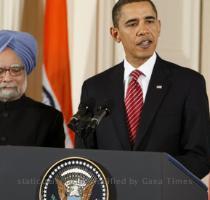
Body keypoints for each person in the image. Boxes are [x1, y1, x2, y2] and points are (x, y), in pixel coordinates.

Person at [75, 0, 210, 178]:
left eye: (149, 21)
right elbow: (83, 156)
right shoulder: (94, 88)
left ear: (159, 26)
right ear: (115, 34)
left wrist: (151, 177)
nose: (144, 30)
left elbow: (200, 157)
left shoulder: (189, 83)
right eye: (132, 24)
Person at [0, 30, 65, 147]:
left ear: (26, 72)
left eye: (15, 70)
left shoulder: (49, 118)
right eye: (0, 71)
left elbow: (53, 164)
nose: (7, 78)